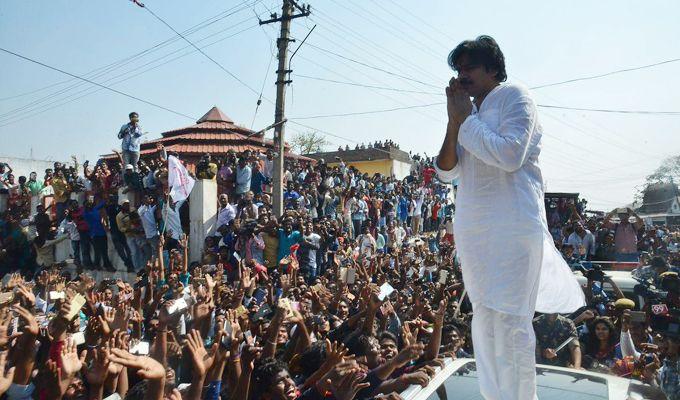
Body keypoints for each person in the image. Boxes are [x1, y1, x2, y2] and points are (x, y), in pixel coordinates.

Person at [434, 35, 584, 400]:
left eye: (469, 67)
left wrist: (465, 120)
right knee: (483, 319)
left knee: (512, 322)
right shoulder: (466, 112)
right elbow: (445, 170)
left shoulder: (516, 96)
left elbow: (510, 155)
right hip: (474, 228)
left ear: (492, 68)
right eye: (458, 69)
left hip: (514, 226)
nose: (462, 75)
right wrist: (457, 121)